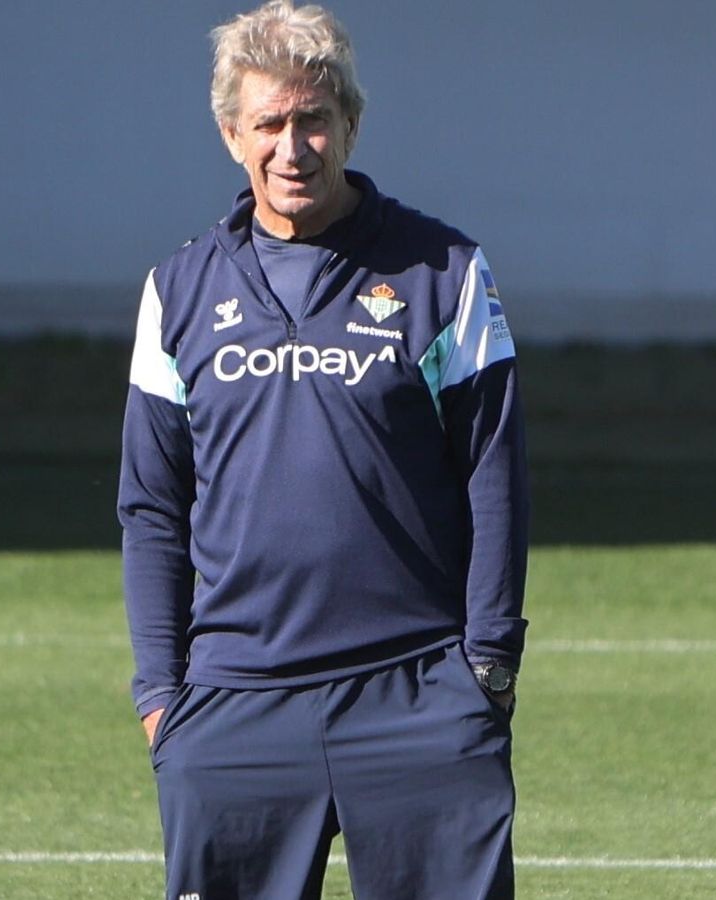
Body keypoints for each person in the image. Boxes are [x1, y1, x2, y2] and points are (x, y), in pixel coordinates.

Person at [118, 2, 529, 897]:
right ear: (232, 134)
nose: (292, 148)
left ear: (351, 123)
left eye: (313, 120)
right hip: (234, 701)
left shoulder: (444, 271)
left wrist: (488, 666)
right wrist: (163, 698)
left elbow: (493, 469)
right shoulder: (179, 289)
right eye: (269, 123)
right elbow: (151, 505)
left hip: (418, 690)